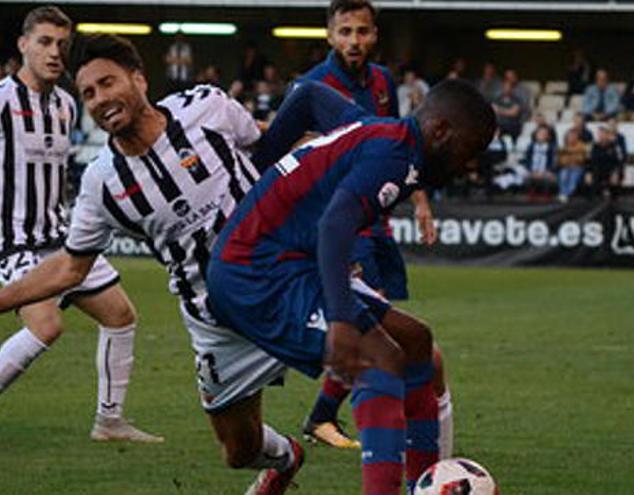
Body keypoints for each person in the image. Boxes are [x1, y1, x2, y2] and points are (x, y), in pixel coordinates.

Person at [0, 32, 383, 494]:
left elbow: (264, 152)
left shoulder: (206, 106)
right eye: (88, 93)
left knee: (399, 357)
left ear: (139, 79)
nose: (100, 100)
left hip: (283, 279)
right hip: (213, 320)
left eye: (107, 83)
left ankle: (424, 472)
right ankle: (285, 457)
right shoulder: (101, 183)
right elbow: (70, 268)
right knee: (238, 451)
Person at [207, 78, 496, 495]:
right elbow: (335, 224)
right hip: (256, 273)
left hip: (287, 263)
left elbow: (307, 95)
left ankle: (423, 485)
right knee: (377, 359)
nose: (468, 165)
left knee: (415, 341)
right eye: (469, 151)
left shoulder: (375, 128)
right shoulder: (393, 157)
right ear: (440, 131)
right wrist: (342, 319)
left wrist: (261, 169)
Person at [0, 6, 161, 443]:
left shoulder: (68, 105)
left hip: (64, 241)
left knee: (121, 315)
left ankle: (109, 421)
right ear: (23, 45)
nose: (55, 53)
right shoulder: (3, 100)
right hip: (16, 245)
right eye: (45, 42)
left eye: (62, 45)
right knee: (47, 327)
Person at [299, 0, 451, 455]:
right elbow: (295, 159)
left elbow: (405, 143)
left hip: (377, 222)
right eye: (345, 31)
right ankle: (359, 429)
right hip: (344, 225)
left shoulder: (383, 81)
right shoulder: (312, 88)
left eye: (362, 31)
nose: (354, 41)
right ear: (329, 35)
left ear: (375, 35)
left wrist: (421, 201)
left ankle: (327, 417)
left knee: (390, 336)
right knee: (389, 339)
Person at [556, 127, 588, 202]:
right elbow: (561, 161)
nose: (572, 138)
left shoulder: (582, 146)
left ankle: (565, 194)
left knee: (573, 181)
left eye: (574, 136)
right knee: (563, 176)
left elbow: (581, 159)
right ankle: (563, 194)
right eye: (570, 136)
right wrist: (571, 159)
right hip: (566, 167)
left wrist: (570, 158)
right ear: (567, 137)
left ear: (577, 137)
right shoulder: (563, 147)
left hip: (578, 168)